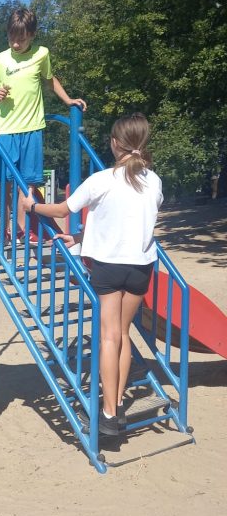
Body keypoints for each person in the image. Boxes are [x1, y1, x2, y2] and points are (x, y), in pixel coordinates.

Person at [22, 113, 163, 437]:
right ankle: (117, 404)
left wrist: (32, 207)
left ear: (114, 143)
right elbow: (127, 220)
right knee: (122, 334)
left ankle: (109, 416)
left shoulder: (102, 180)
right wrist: (81, 237)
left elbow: (62, 210)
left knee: (108, 337)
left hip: (109, 266)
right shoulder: (154, 181)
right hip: (141, 267)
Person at [0, 7, 86, 236]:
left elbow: (50, 80)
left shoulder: (41, 54)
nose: (15, 44)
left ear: (31, 35)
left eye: (21, 39)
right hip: (6, 129)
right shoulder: (0, 60)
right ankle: (6, 228)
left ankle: (22, 230)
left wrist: (68, 100)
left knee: (28, 183)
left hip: (32, 127)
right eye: (11, 38)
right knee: (6, 182)